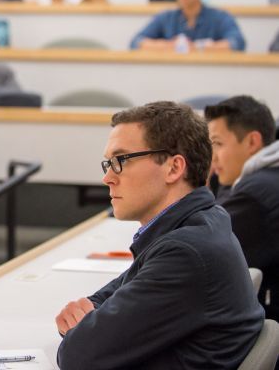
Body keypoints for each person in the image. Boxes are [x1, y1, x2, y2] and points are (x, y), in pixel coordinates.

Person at [55, 101, 263, 369]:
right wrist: (92, 319)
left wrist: (88, 327)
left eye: (120, 161)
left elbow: (77, 356)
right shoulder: (199, 222)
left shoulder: (186, 252)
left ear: (174, 168)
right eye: (108, 163)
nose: (107, 177)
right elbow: (109, 298)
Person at [205, 95, 279, 321]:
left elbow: (200, 249)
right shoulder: (263, 176)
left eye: (217, 143)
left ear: (252, 142)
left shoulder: (255, 193)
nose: (211, 156)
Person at [131, 0, 246, 51]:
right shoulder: (165, 17)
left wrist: (198, 47)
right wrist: (169, 45)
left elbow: (237, 43)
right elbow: (136, 42)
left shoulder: (220, 17)